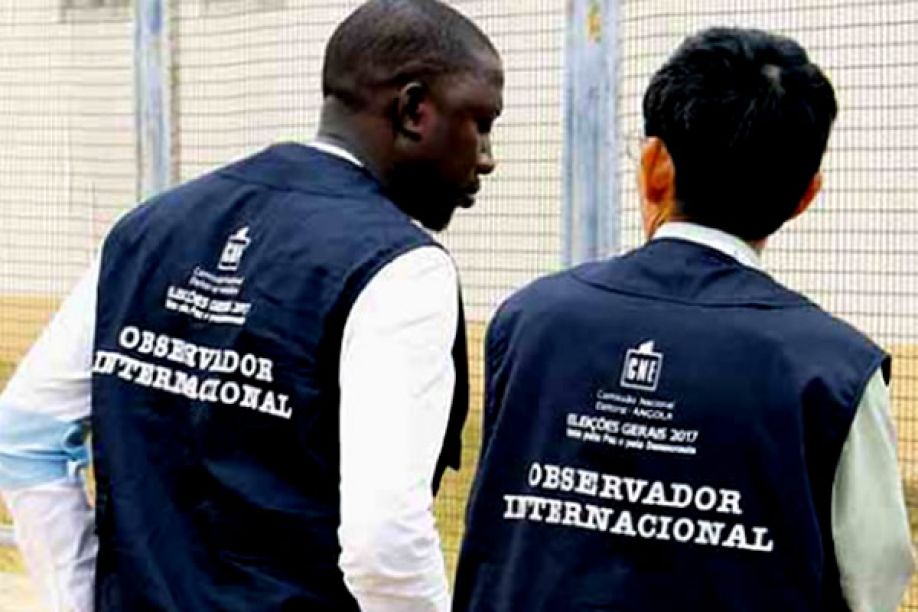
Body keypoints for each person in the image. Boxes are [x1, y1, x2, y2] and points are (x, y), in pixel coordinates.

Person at [0, 0, 503, 610]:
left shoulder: (148, 229)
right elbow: (384, 545)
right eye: (480, 124)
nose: (486, 157)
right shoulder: (401, 269)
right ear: (414, 110)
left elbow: (24, 437)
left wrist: (78, 599)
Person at [454, 27, 913, 612]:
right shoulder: (835, 371)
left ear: (653, 164)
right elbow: (875, 581)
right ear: (805, 196)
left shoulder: (528, 321)